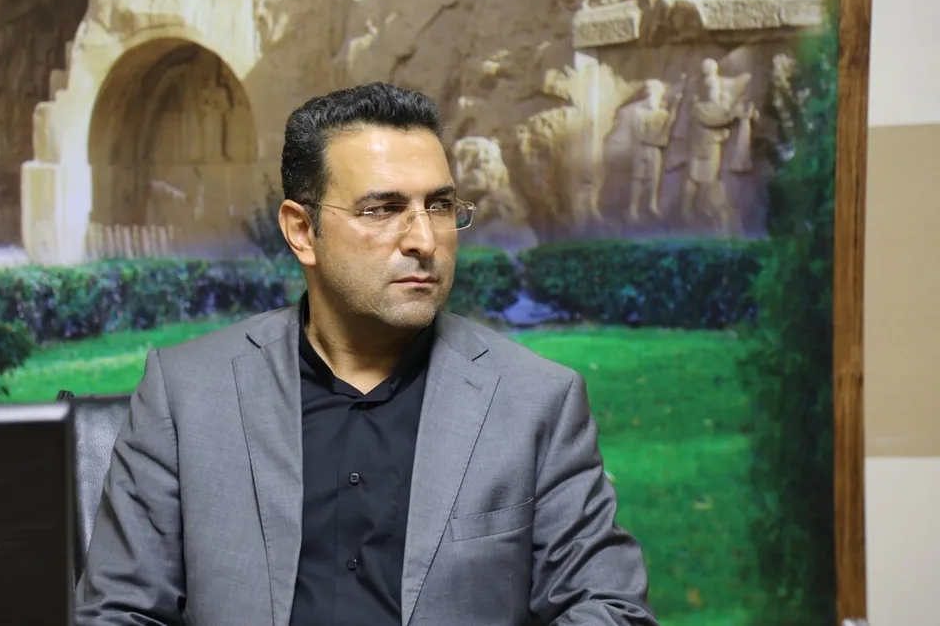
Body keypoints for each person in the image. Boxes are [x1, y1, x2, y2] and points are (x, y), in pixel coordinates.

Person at [75, 82, 659, 626]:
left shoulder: (537, 401)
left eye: (439, 205)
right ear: (301, 231)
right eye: (382, 209)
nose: (424, 240)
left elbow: (609, 608)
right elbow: (120, 613)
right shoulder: (185, 394)